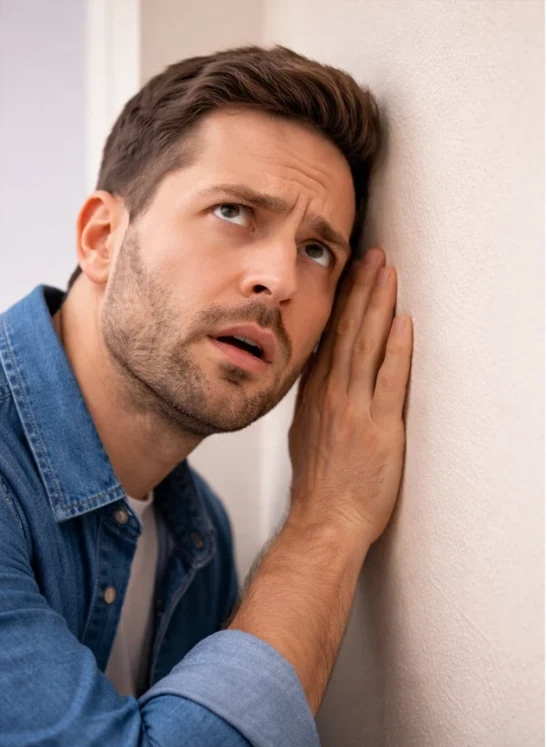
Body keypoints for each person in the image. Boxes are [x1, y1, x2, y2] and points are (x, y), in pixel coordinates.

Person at [0, 45, 412, 746]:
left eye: (317, 251)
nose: (279, 279)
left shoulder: (198, 537)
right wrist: (326, 524)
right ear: (101, 239)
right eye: (233, 211)